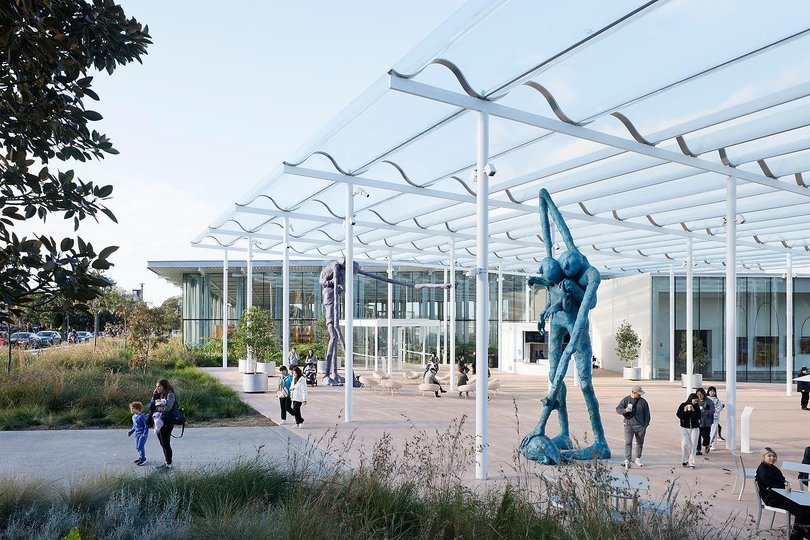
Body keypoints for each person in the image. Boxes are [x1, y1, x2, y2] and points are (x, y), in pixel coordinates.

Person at [756, 447, 810, 540]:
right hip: (772, 499)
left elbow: (782, 481)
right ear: (763, 457)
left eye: (774, 456)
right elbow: (774, 485)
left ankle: (805, 533)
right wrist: (783, 486)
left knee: (807, 507)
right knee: (800, 511)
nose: (772, 458)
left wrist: (784, 486)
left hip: (781, 495)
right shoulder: (762, 470)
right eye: (769, 456)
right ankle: (795, 537)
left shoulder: (773, 468)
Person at [615, 385, 650, 469]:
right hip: (628, 426)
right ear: (634, 392)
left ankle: (638, 459)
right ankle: (628, 459)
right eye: (638, 393)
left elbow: (647, 414)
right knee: (628, 442)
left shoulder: (643, 402)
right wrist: (625, 410)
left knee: (640, 443)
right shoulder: (626, 400)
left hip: (640, 426)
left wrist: (645, 425)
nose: (640, 395)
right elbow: (618, 409)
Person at [149, 379, 178, 469]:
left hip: (167, 421)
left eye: (159, 386)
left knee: (166, 443)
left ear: (164, 386)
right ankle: (166, 462)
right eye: (156, 386)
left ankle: (169, 464)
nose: (157, 388)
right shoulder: (159, 394)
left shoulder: (170, 394)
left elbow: (168, 408)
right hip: (158, 420)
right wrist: (154, 395)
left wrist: (156, 409)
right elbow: (151, 405)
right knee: (162, 443)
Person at [676, 393, 701, 468]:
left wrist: (693, 410)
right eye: (695, 400)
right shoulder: (683, 405)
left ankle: (692, 461)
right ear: (690, 399)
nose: (696, 402)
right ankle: (685, 459)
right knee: (684, 444)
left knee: (693, 444)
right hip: (685, 427)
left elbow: (698, 417)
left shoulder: (697, 407)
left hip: (695, 428)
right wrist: (685, 410)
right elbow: (679, 415)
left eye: (697, 401)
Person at [127, 401, 148, 466]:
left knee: (140, 446)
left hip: (142, 434)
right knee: (137, 447)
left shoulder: (142, 416)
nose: (132, 410)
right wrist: (131, 431)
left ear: (138, 409)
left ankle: (143, 458)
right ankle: (141, 457)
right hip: (137, 434)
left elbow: (146, 425)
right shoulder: (133, 417)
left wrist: (144, 433)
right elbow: (134, 426)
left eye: (133, 408)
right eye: (131, 409)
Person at [695, 388, 714, 455]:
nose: (699, 396)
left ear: (704, 394)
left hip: (706, 422)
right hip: (698, 422)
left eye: (701, 394)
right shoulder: (696, 401)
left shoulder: (709, 401)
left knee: (705, 436)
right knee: (697, 436)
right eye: (698, 394)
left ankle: (706, 445)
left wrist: (705, 411)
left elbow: (712, 411)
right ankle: (698, 449)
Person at [706, 386, 724, 450]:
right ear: (708, 392)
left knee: (714, 431)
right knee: (708, 431)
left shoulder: (717, 400)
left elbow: (719, 408)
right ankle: (708, 443)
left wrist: (720, 407)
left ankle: (712, 444)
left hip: (715, 418)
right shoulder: (706, 399)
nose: (712, 392)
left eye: (714, 391)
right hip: (707, 418)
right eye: (711, 391)